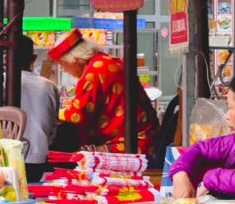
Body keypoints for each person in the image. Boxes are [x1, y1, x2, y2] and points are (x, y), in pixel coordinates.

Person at [50, 28, 158, 155]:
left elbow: (77, 116)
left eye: (64, 65)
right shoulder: (105, 61)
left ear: (75, 60)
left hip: (130, 144)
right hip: (143, 137)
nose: (65, 70)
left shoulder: (94, 72)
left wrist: (53, 112)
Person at [171, 74, 235, 198]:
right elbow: (201, 149)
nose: (227, 116)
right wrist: (180, 174)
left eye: (230, 108)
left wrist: (209, 178)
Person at [16, 37, 60, 180]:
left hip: (6, 156)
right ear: (33, 58)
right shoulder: (49, 86)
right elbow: (53, 128)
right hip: (38, 155)